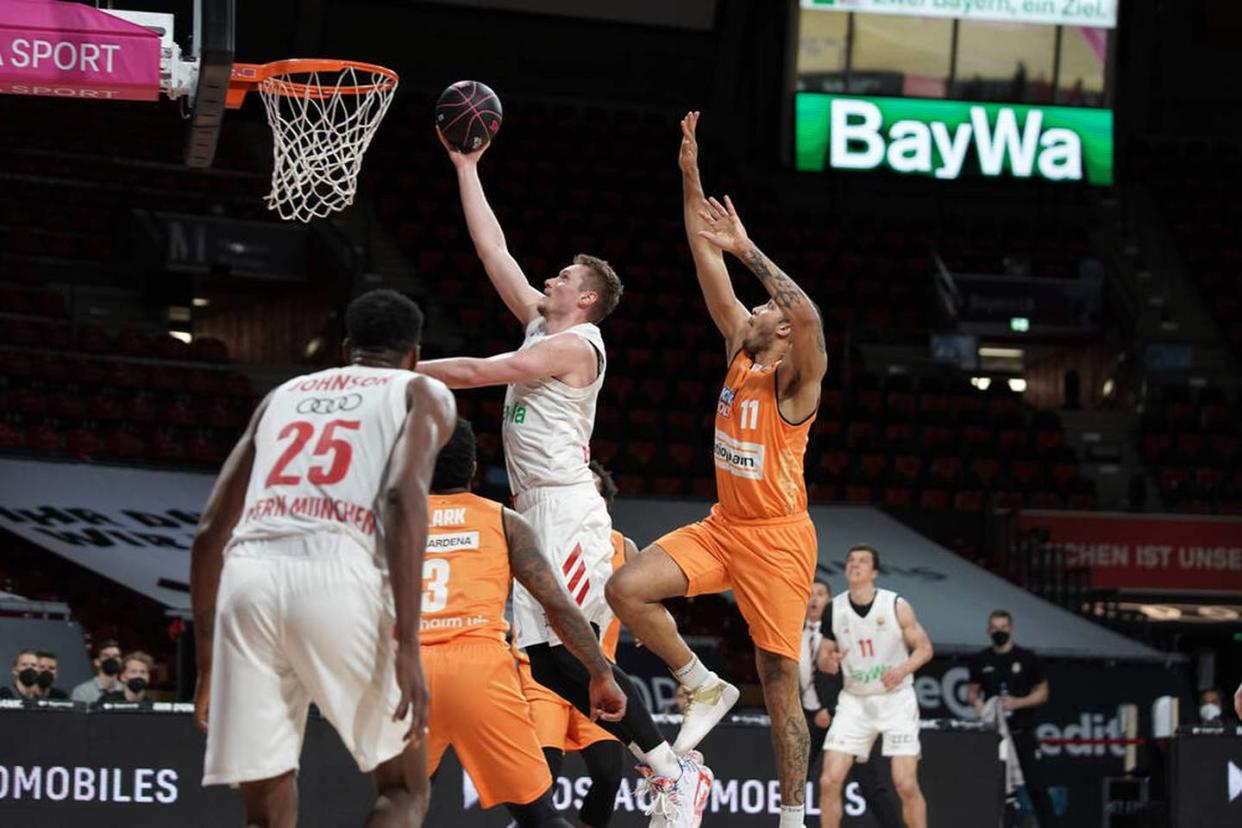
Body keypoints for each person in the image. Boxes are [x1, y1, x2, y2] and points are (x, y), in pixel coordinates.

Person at [423, 131, 710, 827]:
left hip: (569, 509)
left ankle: (672, 773)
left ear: (584, 301)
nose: (550, 279)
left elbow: (475, 374)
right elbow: (495, 251)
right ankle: (668, 766)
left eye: (562, 277)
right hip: (535, 506)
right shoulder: (539, 323)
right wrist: (467, 167)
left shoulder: (575, 347)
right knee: (548, 663)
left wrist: (394, 368)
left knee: (566, 649)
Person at [606, 111, 827, 828]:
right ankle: (701, 684)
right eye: (757, 304)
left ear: (781, 329)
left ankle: (793, 818)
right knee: (627, 588)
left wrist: (748, 245)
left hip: (780, 540)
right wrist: (689, 175)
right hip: (726, 525)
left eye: (764, 305)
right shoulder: (740, 342)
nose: (754, 306)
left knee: (779, 679)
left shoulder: (797, 386)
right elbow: (704, 254)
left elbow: (808, 311)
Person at [190, 289, 456, 828]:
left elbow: (209, 533)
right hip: (340, 570)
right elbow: (405, 499)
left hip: (247, 577)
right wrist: (407, 640)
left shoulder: (282, 395)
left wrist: (206, 662)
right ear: (413, 355)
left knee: (266, 802)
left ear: (344, 348)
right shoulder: (421, 391)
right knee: (403, 788)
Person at [421, 419, 623, 827]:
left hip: (408, 668)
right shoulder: (505, 520)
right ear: (474, 469)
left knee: (401, 803)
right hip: (480, 670)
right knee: (539, 814)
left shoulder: (391, 518)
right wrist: (600, 672)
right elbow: (558, 606)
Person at [515, 459, 634, 828]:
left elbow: (643, 599)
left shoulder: (623, 547)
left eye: (591, 491)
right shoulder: (536, 539)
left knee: (609, 774)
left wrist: (646, 625)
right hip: (545, 676)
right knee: (543, 776)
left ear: (603, 503)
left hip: (597, 675)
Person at [817, 545, 933, 828]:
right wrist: (829, 661)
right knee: (830, 780)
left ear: (874, 572)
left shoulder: (895, 605)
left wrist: (902, 670)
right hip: (855, 700)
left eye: (862, 561)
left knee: (905, 783)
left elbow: (924, 649)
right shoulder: (834, 608)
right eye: (851, 560)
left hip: (895, 698)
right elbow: (823, 657)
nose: (855, 565)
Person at [967, 609, 1056, 828]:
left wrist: (1018, 702)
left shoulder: (1027, 659)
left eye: (1003, 627)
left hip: (1021, 732)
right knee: (995, 788)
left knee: (1036, 787)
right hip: (996, 736)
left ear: (1011, 629)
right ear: (989, 630)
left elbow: (1042, 693)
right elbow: (972, 693)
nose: (999, 631)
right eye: (995, 628)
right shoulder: (981, 660)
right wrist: (984, 711)